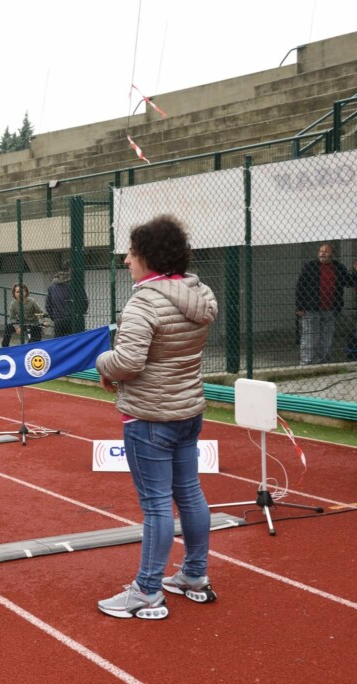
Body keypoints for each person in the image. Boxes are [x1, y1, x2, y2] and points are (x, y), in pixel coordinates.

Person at [95, 216, 218, 620]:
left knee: (156, 506)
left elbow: (128, 361)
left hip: (149, 418)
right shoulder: (198, 295)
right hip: (187, 411)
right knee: (190, 493)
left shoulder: (145, 301)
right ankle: (194, 575)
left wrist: (101, 362)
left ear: (147, 256)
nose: (127, 260)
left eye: (131, 253)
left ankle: (147, 591)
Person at [295, 244, 357, 365]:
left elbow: (349, 282)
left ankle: (324, 361)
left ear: (332, 254)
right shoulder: (310, 266)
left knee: (326, 336)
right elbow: (301, 287)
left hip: (330, 308)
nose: (322, 254)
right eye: (321, 251)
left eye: (326, 252)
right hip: (311, 308)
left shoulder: (338, 267)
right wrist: (300, 306)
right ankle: (306, 362)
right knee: (310, 336)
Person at [46, 261, 89, 337]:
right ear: (70, 269)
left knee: (60, 344)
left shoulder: (52, 285)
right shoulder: (75, 283)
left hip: (59, 320)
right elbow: (84, 301)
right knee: (77, 343)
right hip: (75, 320)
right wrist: (80, 314)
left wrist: (55, 317)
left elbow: (48, 305)